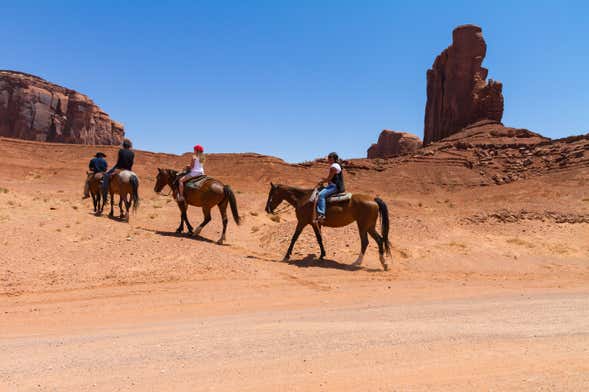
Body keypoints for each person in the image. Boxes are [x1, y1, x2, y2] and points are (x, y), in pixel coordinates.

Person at [315, 152, 345, 223]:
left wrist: (322, 182)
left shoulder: (333, 166)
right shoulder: (337, 165)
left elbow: (329, 178)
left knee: (320, 195)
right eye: (328, 158)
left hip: (334, 187)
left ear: (333, 159)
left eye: (329, 158)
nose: (328, 160)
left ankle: (321, 214)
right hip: (333, 185)